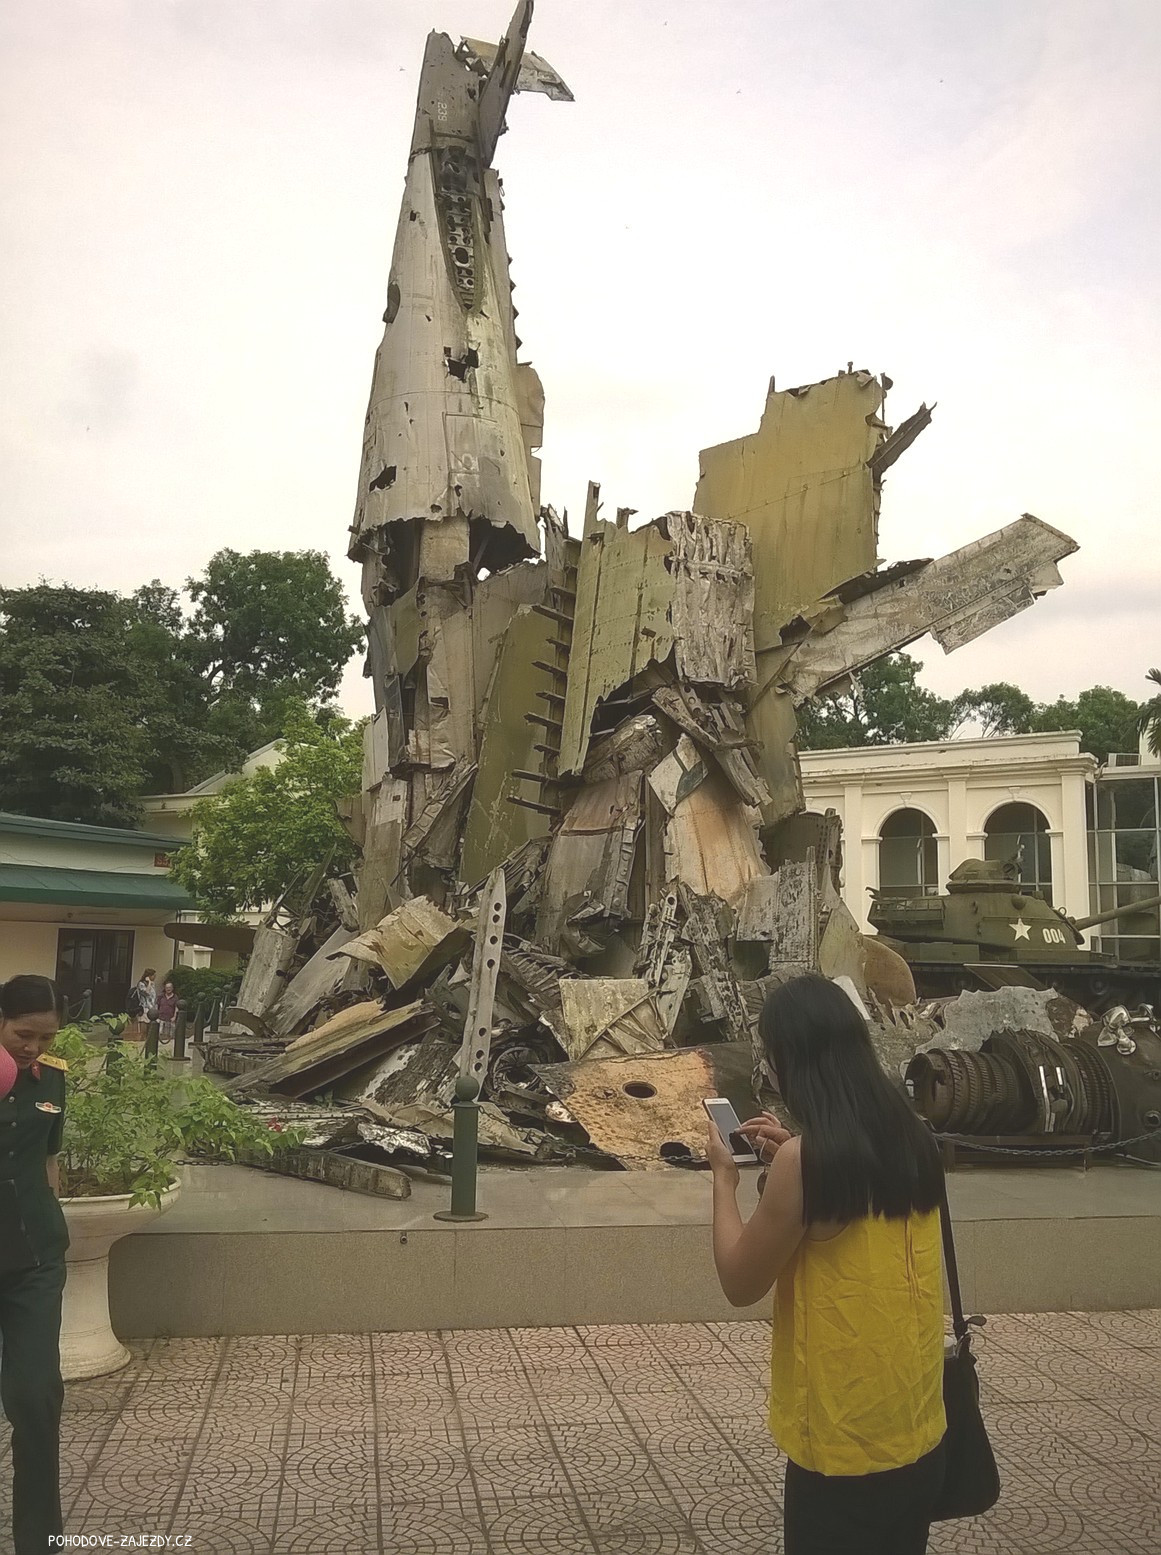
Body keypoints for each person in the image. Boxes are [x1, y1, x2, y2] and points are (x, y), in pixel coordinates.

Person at [706, 973, 946, 1555]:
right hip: (916, 1426)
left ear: (791, 1062)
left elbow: (739, 1281)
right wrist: (792, 1145)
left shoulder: (804, 1162)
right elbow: (853, 1198)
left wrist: (724, 1180)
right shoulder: (915, 1138)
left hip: (842, 1441)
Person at [0, 974, 69, 1555]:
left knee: (36, 1395)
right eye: (24, 1034)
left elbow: (50, 1161)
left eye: (45, 1038)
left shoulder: (55, 1078)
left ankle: (40, 1541)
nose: (34, 1048)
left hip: (36, 1259)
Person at [126, 967, 157, 1039]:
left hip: (152, 1007)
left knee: (151, 1026)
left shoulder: (153, 984)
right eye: (153, 975)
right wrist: (149, 982)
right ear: (149, 976)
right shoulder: (141, 984)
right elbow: (146, 993)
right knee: (144, 1026)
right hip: (145, 1007)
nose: (155, 977)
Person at [156, 978, 178, 1043]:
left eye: (170, 987)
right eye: (167, 987)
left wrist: (174, 1017)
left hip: (170, 1019)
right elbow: (157, 1005)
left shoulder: (175, 997)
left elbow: (176, 1007)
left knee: (170, 1036)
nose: (168, 989)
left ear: (172, 988)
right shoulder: (161, 996)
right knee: (159, 1034)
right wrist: (156, 1016)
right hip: (161, 1018)